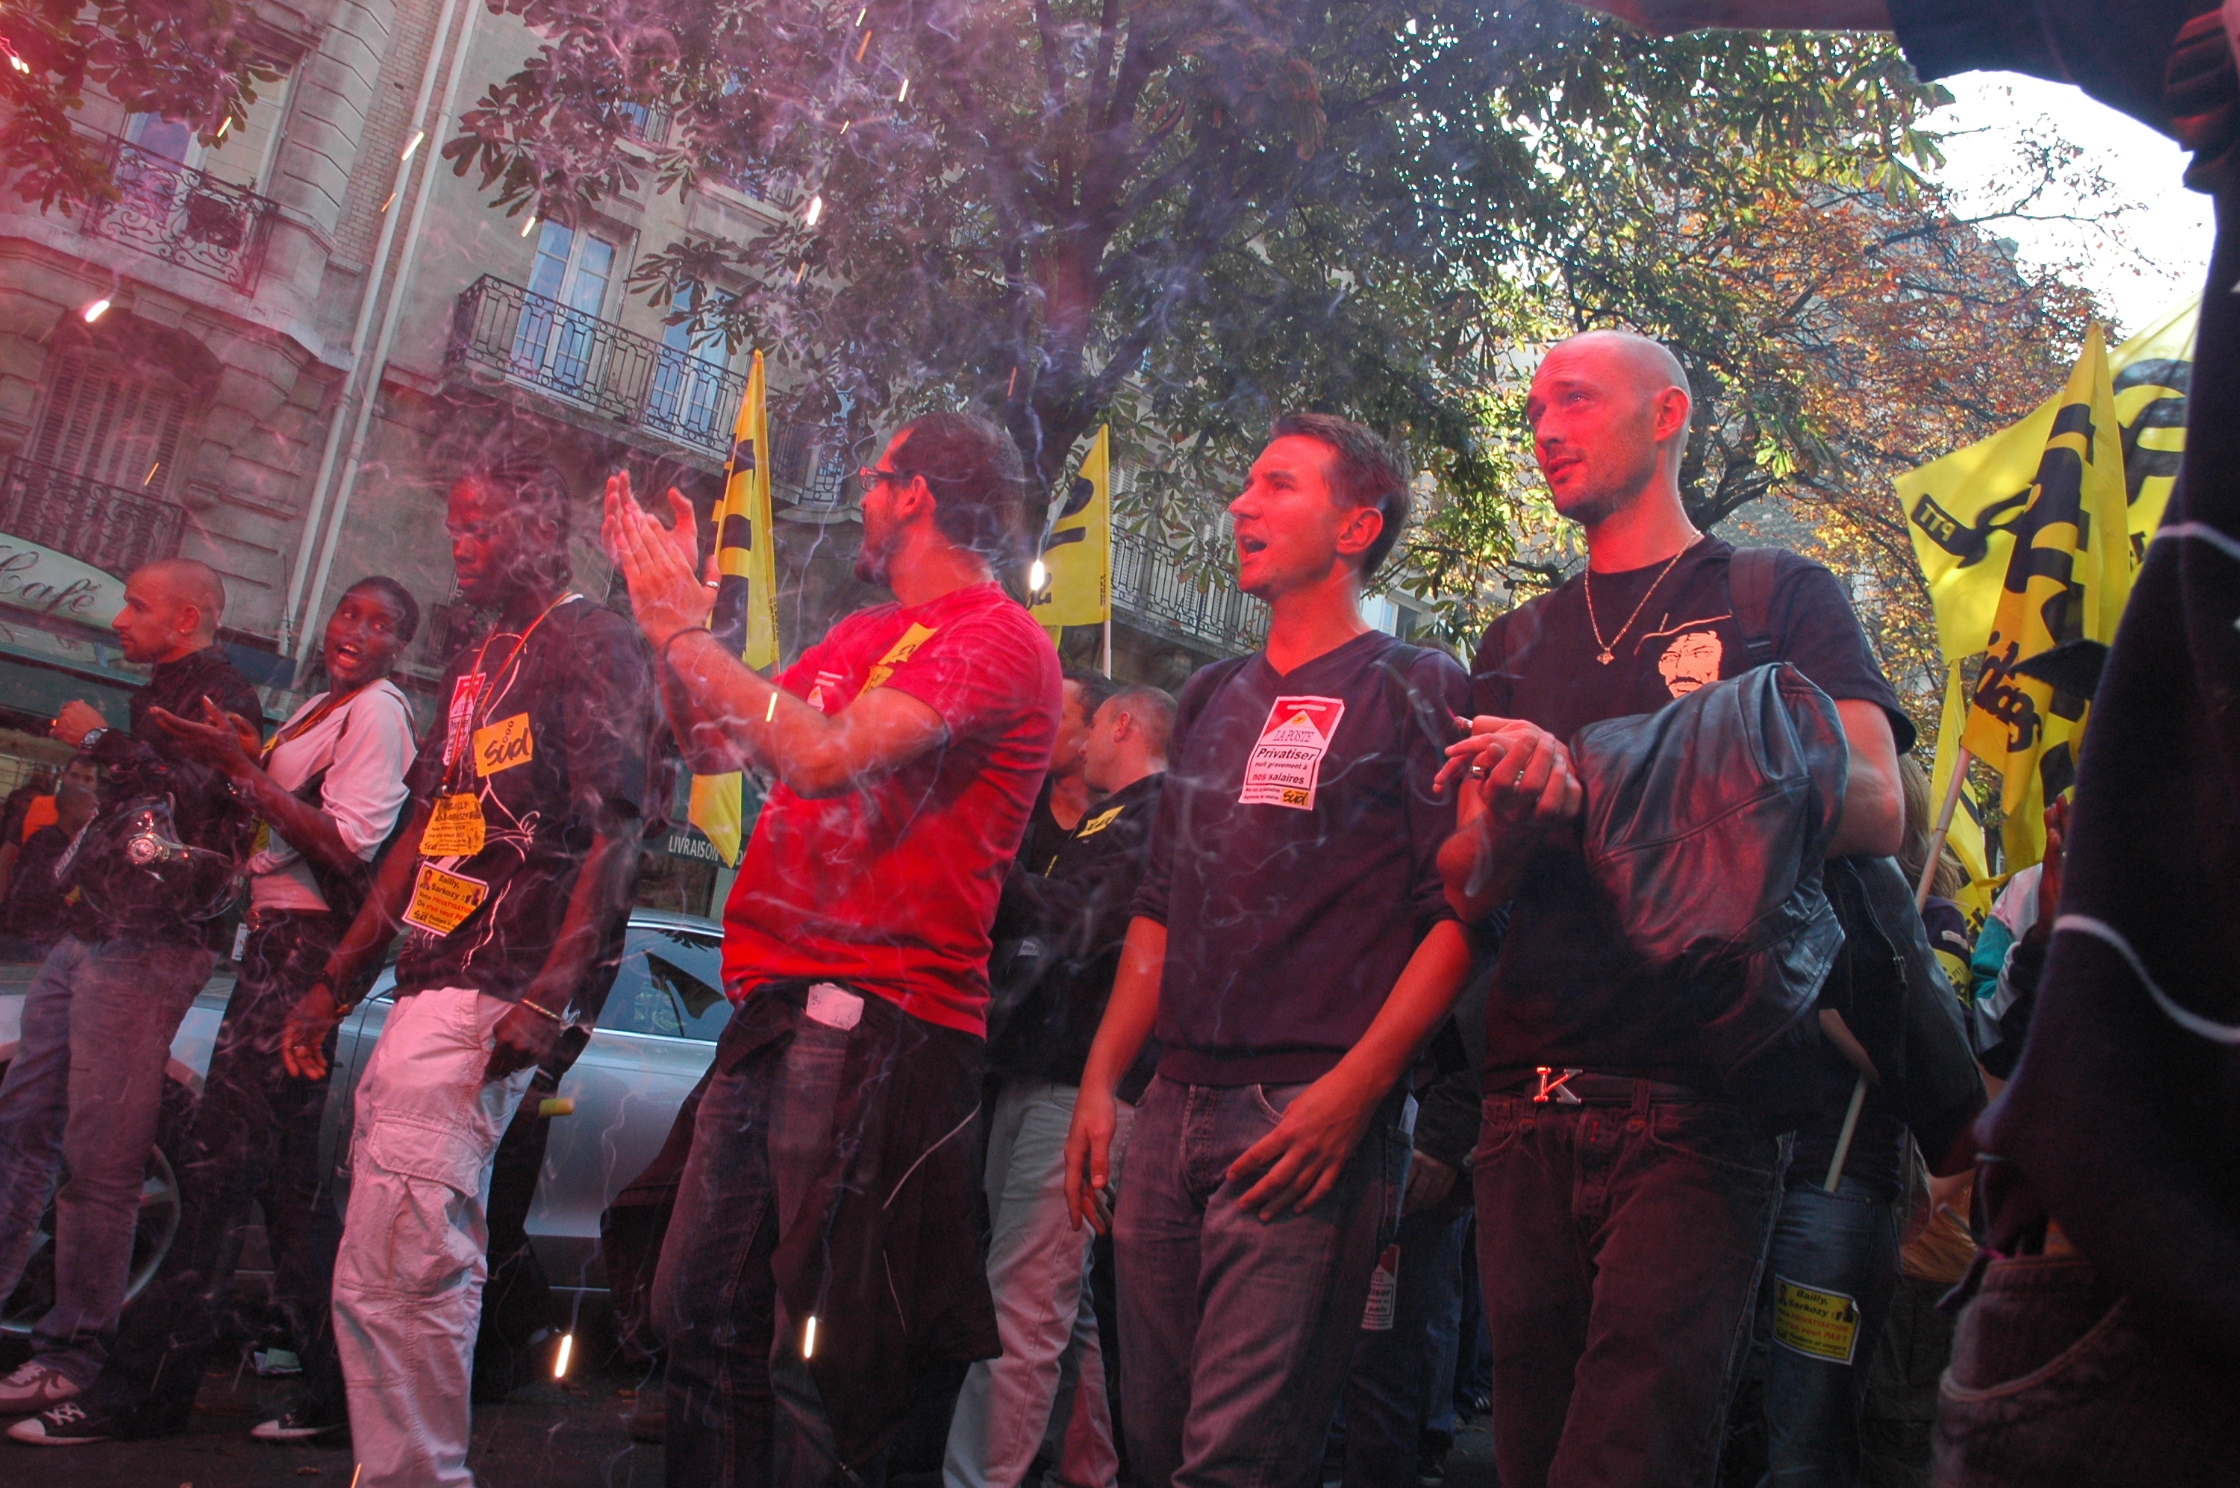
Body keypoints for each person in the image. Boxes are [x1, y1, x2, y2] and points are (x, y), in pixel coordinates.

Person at [1436, 330, 1909, 1488]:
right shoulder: (1516, 636)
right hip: (1524, 1102)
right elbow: (1463, 882)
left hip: (1699, 1105)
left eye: (1574, 399)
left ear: (1665, 416)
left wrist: (1600, 775)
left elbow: (1874, 803)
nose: (1544, 428)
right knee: (1527, 1457)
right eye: (1534, 408)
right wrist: (1510, 816)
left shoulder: (1772, 597)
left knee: (1630, 1462)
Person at [601, 410, 1061, 1488]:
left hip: (880, 1021)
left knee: (825, 1354)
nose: (859, 495)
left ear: (916, 494)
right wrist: (674, 627)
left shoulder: (996, 637)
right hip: (778, 1009)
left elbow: (818, 757)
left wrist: (686, 638)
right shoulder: (861, 634)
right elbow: (712, 743)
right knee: (698, 1312)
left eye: (872, 476)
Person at [1064, 413, 1476, 1488]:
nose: (1241, 504)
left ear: (1356, 527)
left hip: (1301, 1114)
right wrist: (1105, 1083)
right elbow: (1160, 905)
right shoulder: (1210, 695)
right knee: (1153, 1450)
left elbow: (1457, 919)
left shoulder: (1415, 683)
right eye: (1245, 483)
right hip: (1171, 1109)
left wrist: (1357, 1092)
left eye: (1278, 484)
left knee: (1238, 1462)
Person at [267, 456, 656, 1488]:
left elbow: (617, 827)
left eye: (481, 525)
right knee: (380, 1260)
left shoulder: (595, 641)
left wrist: (548, 994)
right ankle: (401, 1468)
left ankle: (421, 1475)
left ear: (543, 531)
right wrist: (340, 978)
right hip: (430, 975)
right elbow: (424, 829)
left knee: (410, 1257)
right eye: (455, 526)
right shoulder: (481, 654)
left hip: (496, 984)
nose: (460, 545)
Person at [10, 578, 422, 1447]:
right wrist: (243, 762)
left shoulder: (379, 714)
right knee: (284, 1186)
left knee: (213, 1171)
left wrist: (239, 769)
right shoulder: (315, 710)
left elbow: (348, 844)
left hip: (304, 950)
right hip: (273, 944)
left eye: (380, 625)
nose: (355, 631)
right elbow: (265, 815)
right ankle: (347, 1392)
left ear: (401, 650)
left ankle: (144, 1393)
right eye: (348, 613)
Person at [0, 559, 262, 1416]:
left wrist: (97, 742)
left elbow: (208, 795)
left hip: (150, 949)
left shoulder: (223, 694)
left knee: (102, 1161)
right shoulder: (160, 692)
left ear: (186, 618)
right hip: (94, 937)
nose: (119, 619)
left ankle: (74, 1354)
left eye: (136, 605)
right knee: (24, 1123)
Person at [944, 682, 1173, 1488]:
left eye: (1087, 723)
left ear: (1123, 724)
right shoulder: (1108, 818)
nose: (1076, 740)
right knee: (1054, 1302)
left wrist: (982, 857)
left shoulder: (1159, 813)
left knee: (1022, 1303)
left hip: (1080, 1084)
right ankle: (1090, 1471)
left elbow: (1077, 922)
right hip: (1037, 1069)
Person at [1016, 669, 1120, 874]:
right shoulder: (1013, 799)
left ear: (1094, 729)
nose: (1037, 726)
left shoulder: (1122, 828)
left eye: (1054, 715)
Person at [0, 777, 96, 960]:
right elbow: (47, 889)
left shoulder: (55, 840)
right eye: (90, 807)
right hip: (28, 938)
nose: (94, 814)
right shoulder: (50, 842)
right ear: (71, 808)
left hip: (31, 936)